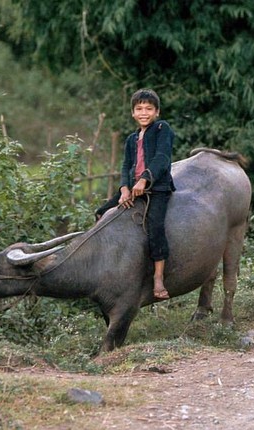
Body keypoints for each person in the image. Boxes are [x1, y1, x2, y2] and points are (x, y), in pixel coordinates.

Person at [95, 89, 175, 300]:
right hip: (133, 187)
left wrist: (145, 178)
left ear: (157, 112)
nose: (144, 112)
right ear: (132, 113)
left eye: (149, 108)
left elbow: (162, 158)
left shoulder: (161, 128)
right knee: (101, 212)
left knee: (155, 226)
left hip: (156, 188)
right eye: (139, 108)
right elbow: (125, 166)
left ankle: (158, 276)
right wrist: (124, 189)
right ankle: (109, 265)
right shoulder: (132, 139)